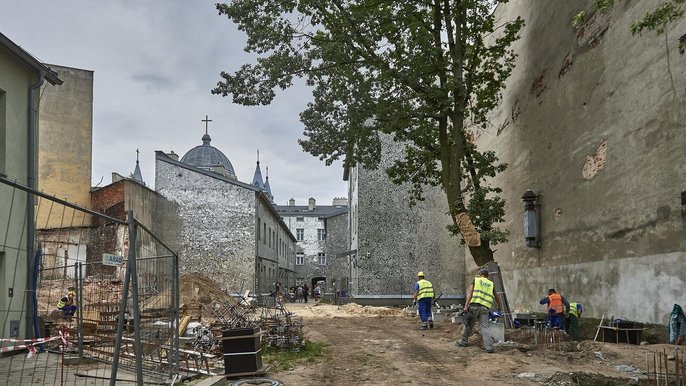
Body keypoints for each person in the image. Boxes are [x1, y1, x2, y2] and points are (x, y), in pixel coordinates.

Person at [455, 268, 501, 353]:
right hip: (485, 308)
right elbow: (497, 296)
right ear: (487, 276)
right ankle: (489, 347)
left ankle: (463, 342)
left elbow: (470, 293)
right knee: (485, 327)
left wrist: (466, 306)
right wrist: (499, 307)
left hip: (474, 306)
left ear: (480, 274)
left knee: (468, 324)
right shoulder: (491, 283)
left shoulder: (476, 280)